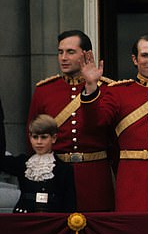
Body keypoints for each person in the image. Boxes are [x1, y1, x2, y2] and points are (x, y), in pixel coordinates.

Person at [80, 33, 148, 211]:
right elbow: (95, 124)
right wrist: (91, 86)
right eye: (145, 55)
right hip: (131, 181)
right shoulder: (118, 92)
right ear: (134, 59)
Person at [27, 30, 115, 211]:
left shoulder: (107, 89)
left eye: (70, 52)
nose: (63, 58)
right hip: (55, 175)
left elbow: (112, 139)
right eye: (60, 52)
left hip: (94, 176)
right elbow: (32, 138)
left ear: (87, 54)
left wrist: (91, 87)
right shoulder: (45, 90)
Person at [0, 115, 76, 213]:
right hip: (25, 219)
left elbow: (69, 205)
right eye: (35, 137)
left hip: (51, 221)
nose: (39, 142)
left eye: (44, 137)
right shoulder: (23, 163)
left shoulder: (64, 169)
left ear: (54, 138)